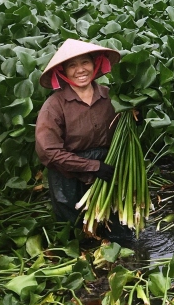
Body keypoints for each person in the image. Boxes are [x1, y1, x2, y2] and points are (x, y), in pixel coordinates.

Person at [35, 39, 131, 242]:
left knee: (117, 232)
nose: (80, 70)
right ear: (63, 71)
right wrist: (93, 166)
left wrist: (135, 116)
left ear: (95, 64)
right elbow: (49, 152)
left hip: (107, 169)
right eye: (72, 65)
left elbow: (124, 131)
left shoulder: (110, 96)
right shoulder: (54, 105)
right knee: (77, 234)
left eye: (85, 62)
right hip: (69, 175)